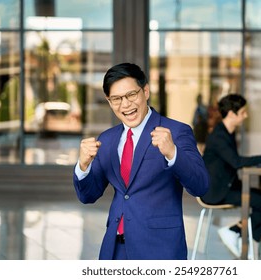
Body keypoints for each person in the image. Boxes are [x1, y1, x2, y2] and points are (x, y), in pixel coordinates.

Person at [72, 62, 209, 260]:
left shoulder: (177, 132)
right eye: (117, 99)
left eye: (131, 95)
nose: (125, 105)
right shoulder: (107, 139)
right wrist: (83, 166)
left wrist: (172, 153)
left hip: (160, 248)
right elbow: (88, 196)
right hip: (115, 250)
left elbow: (201, 186)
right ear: (109, 102)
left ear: (145, 91)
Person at [201, 93, 261, 259]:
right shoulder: (219, 135)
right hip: (216, 192)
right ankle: (235, 233)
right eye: (243, 112)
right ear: (232, 114)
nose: (246, 115)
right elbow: (236, 162)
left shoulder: (228, 132)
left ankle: (238, 234)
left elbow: (233, 162)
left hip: (228, 186)